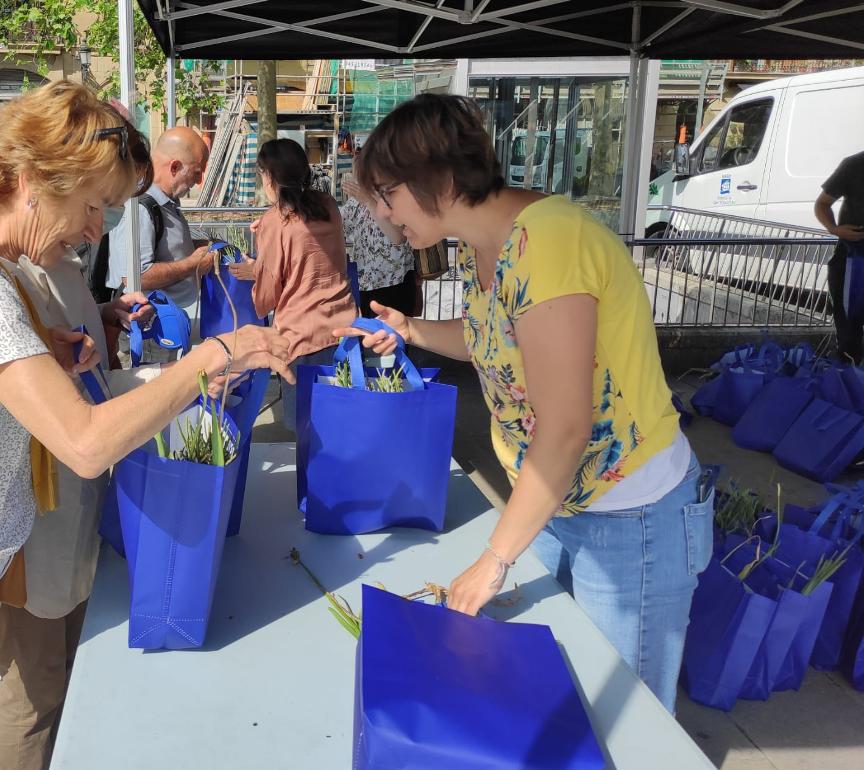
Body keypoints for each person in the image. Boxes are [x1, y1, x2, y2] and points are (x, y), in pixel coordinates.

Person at [0, 81, 292, 770]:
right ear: (25, 180)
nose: (94, 229)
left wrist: (40, 347)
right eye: (90, 205)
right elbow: (84, 442)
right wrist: (215, 356)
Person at [345, 94, 708, 714]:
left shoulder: (550, 241)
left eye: (387, 194)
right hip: (550, 504)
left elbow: (566, 427)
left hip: (628, 513)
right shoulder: (477, 245)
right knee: (555, 697)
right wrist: (412, 331)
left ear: (442, 179)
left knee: (624, 716)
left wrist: (493, 558)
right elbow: (492, 339)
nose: (381, 215)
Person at [0, 218, 161, 770]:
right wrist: (181, 379)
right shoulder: (7, 274)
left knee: (67, 669)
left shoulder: (61, 262)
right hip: (37, 520)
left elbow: (84, 374)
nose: (100, 221)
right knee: (34, 691)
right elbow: (68, 411)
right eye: (96, 200)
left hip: (75, 512)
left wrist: (105, 320)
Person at [229, 138, 354, 430]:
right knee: (341, 423)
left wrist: (255, 268)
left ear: (269, 176)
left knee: (307, 429)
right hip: (344, 328)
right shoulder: (328, 206)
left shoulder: (276, 221)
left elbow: (267, 297)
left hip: (302, 336)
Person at [105, 126, 216, 362]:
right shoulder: (141, 208)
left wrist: (196, 247)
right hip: (149, 332)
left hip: (166, 326)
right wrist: (193, 263)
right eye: (196, 172)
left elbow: (164, 250)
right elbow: (135, 275)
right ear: (174, 167)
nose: (198, 181)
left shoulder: (164, 204)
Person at [341, 172, 419, 318]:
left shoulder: (394, 195)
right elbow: (340, 225)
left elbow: (398, 238)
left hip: (396, 282)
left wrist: (368, 200)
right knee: (370, 336)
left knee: (397, 337)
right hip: (366, 283)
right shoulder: (355, 202)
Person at [814, 149, 864, 363]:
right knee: (848, 331)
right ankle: (847, 381)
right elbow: (822, 204)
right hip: (853, 258)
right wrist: (835, 229)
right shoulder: (854, 165)